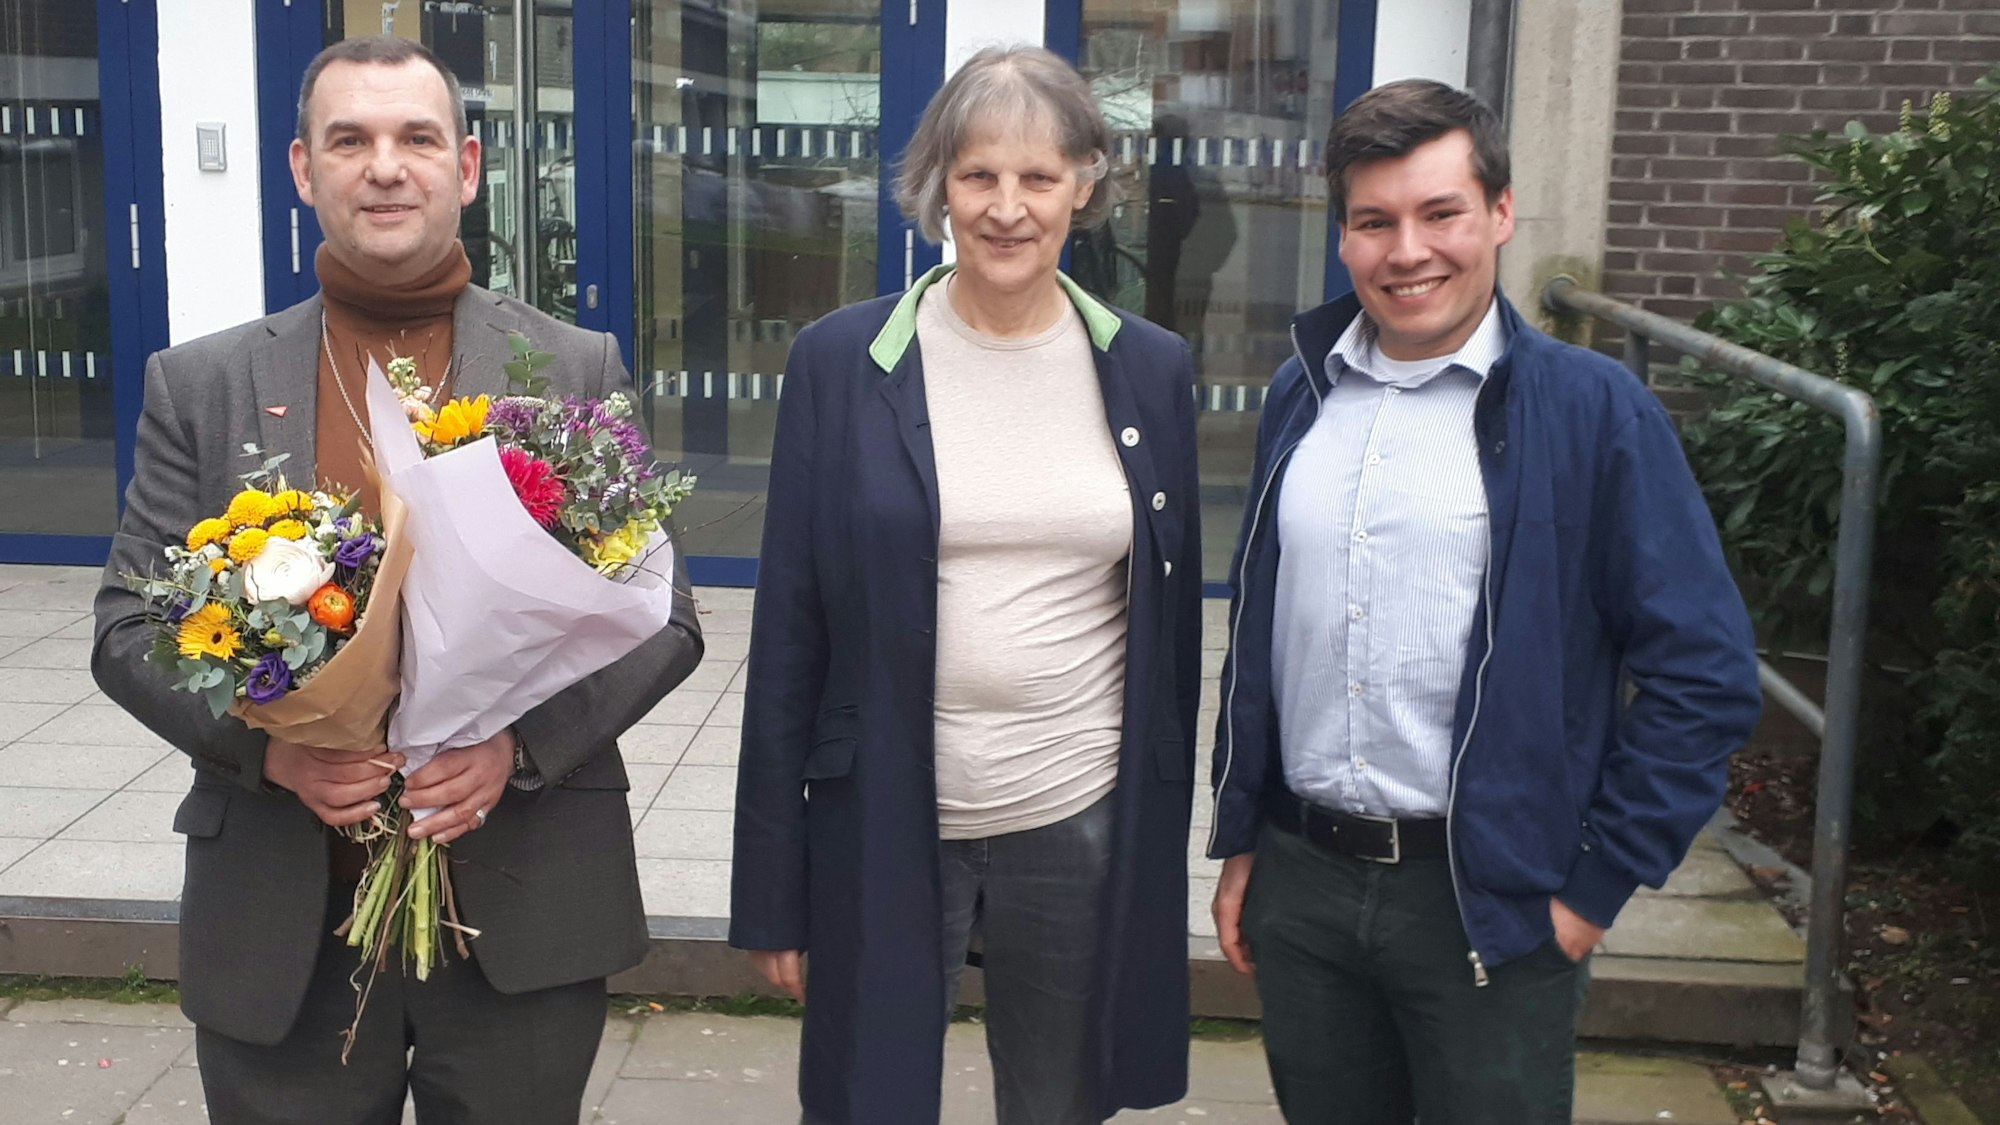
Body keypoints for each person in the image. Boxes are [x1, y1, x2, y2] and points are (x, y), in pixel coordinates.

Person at [90, 36, 703, 1124]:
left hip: (521, 899)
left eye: (416, 138)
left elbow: (663, 619)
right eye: (350, 140)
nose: (385, 165)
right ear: (302, 169)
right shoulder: (201, 384)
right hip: (286, 919)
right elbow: (128, 626)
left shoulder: (570, 367)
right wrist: (270, 753)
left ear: (466, 167)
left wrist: (516, 750)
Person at [1205, 79, 1762, 1123]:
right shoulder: (1300, 394)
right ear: (1342, 238)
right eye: (1374, 221)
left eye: (1439, 213)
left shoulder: (1594, 414)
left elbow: (1704, 677)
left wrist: (1588, 892)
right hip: (1302, 888)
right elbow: (1262, 643)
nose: (1405, 250)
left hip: (1487, 901)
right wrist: (1245, 841)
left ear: (1499, 214)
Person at [729, 44, 1203, 1125]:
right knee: (870, 1100)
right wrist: (770, 889)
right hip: (887, 816)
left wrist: (1157, 853)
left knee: (1057, 1102)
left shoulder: (1148, 368)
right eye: (978, 174)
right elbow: (789, 633)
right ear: (937, 181)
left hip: (1074, 812)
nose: (1006, 208)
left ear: (1085, 185)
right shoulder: (840, 364)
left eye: (1038, 178)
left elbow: (1168, 644)